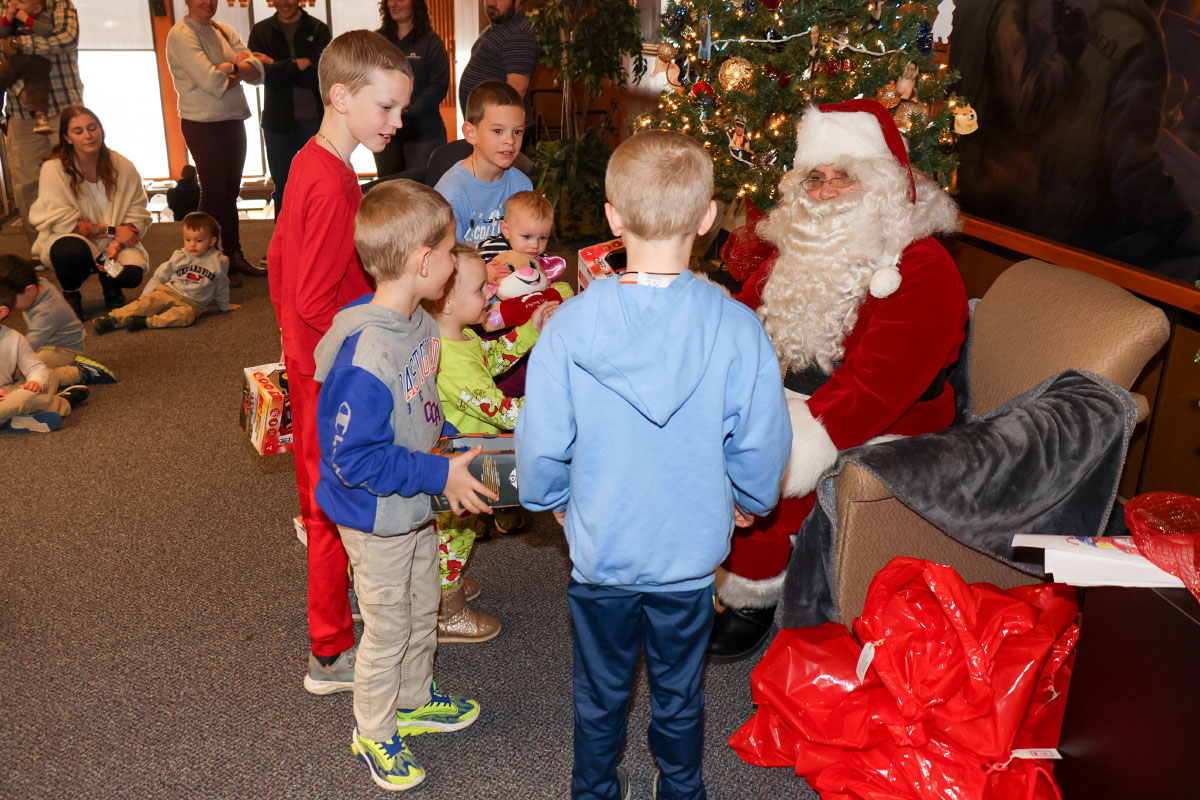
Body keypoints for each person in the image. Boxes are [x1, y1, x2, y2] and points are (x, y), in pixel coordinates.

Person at [515, 130, 792, 800]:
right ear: (708, 218)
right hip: (689, 555)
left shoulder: (569, 327)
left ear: (613, 218)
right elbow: (763, 439)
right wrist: (750, 498)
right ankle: (682, 787)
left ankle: (594, 789)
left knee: (599, 689)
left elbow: (541, 439)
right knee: (679, 687)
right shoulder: (738, 327)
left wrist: (553, 498)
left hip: (603, 549)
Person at [707, 99, 969, 662]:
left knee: (762, 463)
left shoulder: (923, 269)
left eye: (843, 177)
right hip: (799, 396)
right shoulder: (800, 250)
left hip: (883, 420)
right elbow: (745, 319)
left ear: (883, 184)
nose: (824, 193)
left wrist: (790, 437)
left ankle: (750, 593)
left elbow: (878, 388)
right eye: (815, 178)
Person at [313, 179, 492, 793]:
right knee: (387, 628)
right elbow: (354, 459)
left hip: (413, 504)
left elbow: (420, 406)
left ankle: (414, 700)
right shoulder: (366, 358)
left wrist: (446, 446)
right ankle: (374, 729)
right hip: (375, 517)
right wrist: (438, 473)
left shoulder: (415, 321)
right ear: (422, 262)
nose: (456, 264)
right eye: (449, 253)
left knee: (422, 607)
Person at [266, 29, 412, 696]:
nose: (397, 121)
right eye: (386, 107)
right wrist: (367, 344)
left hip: (311, 359)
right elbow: (315, 299)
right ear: (342, 96)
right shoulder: (330, 183)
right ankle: (328, 652)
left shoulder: (313, 160)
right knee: (329, 509)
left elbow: (279, 260)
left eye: (400, 108)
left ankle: (336, 617)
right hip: (327, 368)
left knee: (324, 498)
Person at [425, 243, 557, 642]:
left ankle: (438, 586)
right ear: (447, 301)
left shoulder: (459, 335)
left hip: (463, 451)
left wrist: (530, 330)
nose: (490, 293)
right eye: (480, 288)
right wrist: (558, 403)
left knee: (453, 530)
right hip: (457, 460)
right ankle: (446, 611)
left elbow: (490, 355)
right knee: (455, 534)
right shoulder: (452, 362)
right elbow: (502, 411)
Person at [166, 0, 265, 282]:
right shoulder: (181, 34)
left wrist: (228, 67)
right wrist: (239, 69)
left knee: (230, 192)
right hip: (203, 123)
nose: (208, 2)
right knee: (213, 194)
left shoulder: (222, 29)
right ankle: (202, 265)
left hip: (233, 118)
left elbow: (258, 72)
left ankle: (232, 255)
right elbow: (212, 83)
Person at [29, 105, 151, 319]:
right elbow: (68, 223)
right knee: (70, 252)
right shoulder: (54, 169)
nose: (88, 135)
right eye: (79, 131)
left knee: (130, 276)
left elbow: (137, 213)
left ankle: (110, 281)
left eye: (92, 128)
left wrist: (115, 246)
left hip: (109, 251)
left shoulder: (123, 166)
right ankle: (71, 292)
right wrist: (115, 231)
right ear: (67, 138)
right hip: (74, 242)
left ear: (101, 130)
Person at [1, 0, 81, 245]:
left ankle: (81, 243)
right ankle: (40, 248)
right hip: (21, 113)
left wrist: (19, 44)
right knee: (27, 185)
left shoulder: (59, 4)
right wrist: (20, 90)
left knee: (75, 175)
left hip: (65, 107)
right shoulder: (4, 6)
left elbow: (67, 40)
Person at [248, 0, 331, 218]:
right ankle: (283, 240)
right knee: (282, 190)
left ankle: (316, 238)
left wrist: (275, 64)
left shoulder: (318, 29)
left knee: (318, 188)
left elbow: (319, 75)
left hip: (314, 121)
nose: (284, 3)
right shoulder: (261, 31)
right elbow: (258, 74)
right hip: (276, 123)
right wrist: (298, 64)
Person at [92, 212, 239, 334]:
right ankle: (112, 319)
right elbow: (160, 275)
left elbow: (221, 285)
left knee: (185, 318)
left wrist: (224, 305)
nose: (192, 245)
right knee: (144, 305)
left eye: (199, 240)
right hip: (168, 291)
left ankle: (145, 322)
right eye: (187, 240)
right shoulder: (179, 255)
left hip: (192, 304)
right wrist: (146, 295)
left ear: (212, 241)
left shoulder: (220, 261)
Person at [434, 81, 531, 246]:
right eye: (498, 131)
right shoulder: (452, 192)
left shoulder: (522, 186)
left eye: (517, 131)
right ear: (471, 133)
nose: (510, 140)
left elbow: (529, 243)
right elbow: (444, 254)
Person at [0, 254, 116, 388]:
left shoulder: (46, 312)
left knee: (28, 377)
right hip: (45, 344)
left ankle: (78, 372)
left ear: (30, 290)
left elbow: (29, 345)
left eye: (11, 300)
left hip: (64, 350)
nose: (8, 305)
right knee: (12, 371)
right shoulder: (39, 284)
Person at [374, 0, 450, 177]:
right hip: (385, 132)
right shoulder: (377, 41)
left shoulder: (431, 42)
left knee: (420, 187)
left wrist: (409, 109)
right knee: (388, 188)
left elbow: (438, 85)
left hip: (423, 133)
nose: (394, 3)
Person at [0, 281, 81, 433]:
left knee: (47, 375)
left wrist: (35, 382)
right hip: (7, 399)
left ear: (2, 313)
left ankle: (19, 416)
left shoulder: (14, 338)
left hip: (9, 392)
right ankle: (60, 403)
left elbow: (35, 367)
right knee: (19, 400)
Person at [456, 0, 539, 135]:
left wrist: (497, 133)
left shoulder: (519, 33)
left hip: (502, 133)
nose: (491, 2)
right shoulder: (500, 26)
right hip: (490, 130)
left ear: (517, 2)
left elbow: (517, 90)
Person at [0, 0, 53, 134]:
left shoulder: (42, 16)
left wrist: (26, 19)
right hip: (16, 60)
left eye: (21, 2)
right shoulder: (14, 19)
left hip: (37, 61)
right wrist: (8, 18)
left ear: (36, 8)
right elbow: (2, 33)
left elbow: (46, 31)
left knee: (37, 88)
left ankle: (40, 117)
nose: (14, 4)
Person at [477, 189, 552, 263]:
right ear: (506, 230)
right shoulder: (489, 250)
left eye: (542, 238)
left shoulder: (542, 260)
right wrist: (487, 269)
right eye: (526, 237)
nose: (535, 245)